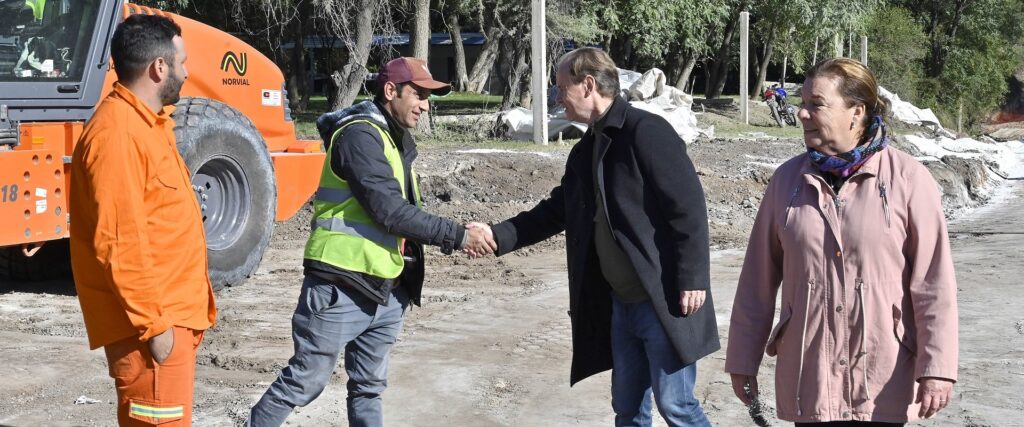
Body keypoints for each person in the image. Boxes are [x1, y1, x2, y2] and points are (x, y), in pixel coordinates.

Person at [469, 47, 719, 426]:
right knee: (628, 409)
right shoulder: (586, 149)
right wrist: (498, 235)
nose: (555, 97)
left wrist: (693, 278)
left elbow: (688, 209)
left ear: (587, 85)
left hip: (663, 301)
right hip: (621, 304)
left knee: (677, 406)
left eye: (559, 87)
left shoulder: (645, 133)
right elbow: (557, 211)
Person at [247, 56, 496, 427]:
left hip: (386, 288)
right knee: (305, 381)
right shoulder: (360, 136)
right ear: (390, 91)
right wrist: (459, 236)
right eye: (419, 94)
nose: (426, 105)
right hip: (340, 287)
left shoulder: (393, 139)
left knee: (368, 387)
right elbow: (390, 212)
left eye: (429, 96)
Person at [725, 58, 958, 426]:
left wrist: (938, 367)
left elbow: (934, 284)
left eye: (816, 104)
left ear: (857, 112)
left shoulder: (909, 179)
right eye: (802, 103)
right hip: (809, 376)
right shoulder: (786, 182)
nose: (801, 113)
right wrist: (742, 359)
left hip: (883, 380)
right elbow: (757, 281)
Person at [69, 14, 214, 426]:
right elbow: (119, 243)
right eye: (182, 63)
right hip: (150, 334)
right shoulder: (117, 135)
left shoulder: (148, 125)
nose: (187, 73)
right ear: (159, 67)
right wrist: (157, 331)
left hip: (168, 322)